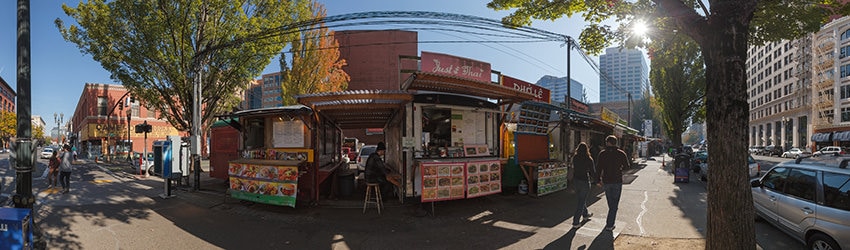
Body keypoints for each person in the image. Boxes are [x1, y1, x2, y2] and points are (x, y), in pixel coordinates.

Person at [595, 135, 630, 231]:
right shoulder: (621, 153)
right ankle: (610, 224)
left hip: (606, 181)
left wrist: (597, 180)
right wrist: (620, 169)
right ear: (615, 143)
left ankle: (610, 222)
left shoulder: (602, 153)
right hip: (617, 180)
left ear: (607, 142)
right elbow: (627, 166)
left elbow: (598, 168)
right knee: (614, 203)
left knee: (611, 202)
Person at [571, 142, 597, 229]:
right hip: (585, 181)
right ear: (587, 149)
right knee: (581, 201)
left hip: (576, 180)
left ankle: (585, 215)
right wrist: (597, 181)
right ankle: (575, 221)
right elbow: (592, 172)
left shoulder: (575, 157)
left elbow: (573, 167)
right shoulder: (589, 159)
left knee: (581, 199)